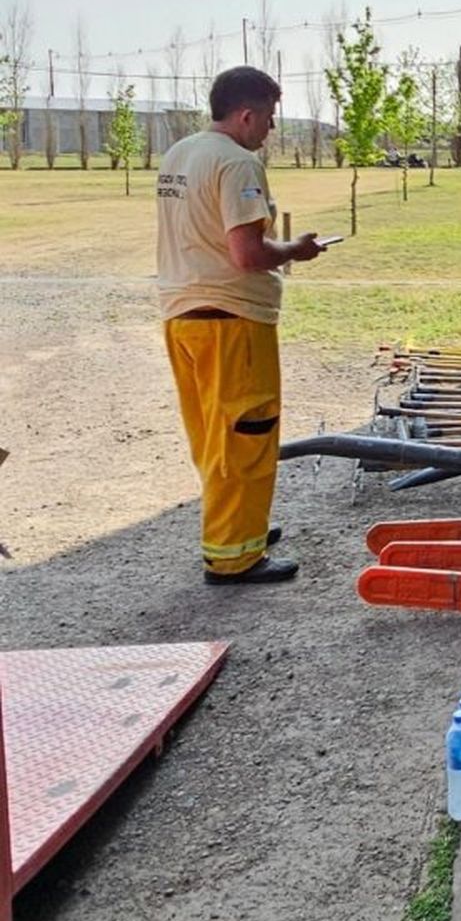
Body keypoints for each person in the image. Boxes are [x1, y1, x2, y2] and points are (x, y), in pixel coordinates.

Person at [156, 66, 325, 585]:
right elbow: (247, 253)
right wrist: (296, 250)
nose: (270, 130)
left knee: (213, 436)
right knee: (246, 435)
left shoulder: (180, 154)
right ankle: (233, 557)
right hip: (231, 320)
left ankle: (240, 527)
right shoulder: (237, 162)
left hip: (182, 314)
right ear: (247, 114)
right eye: (269, 119)